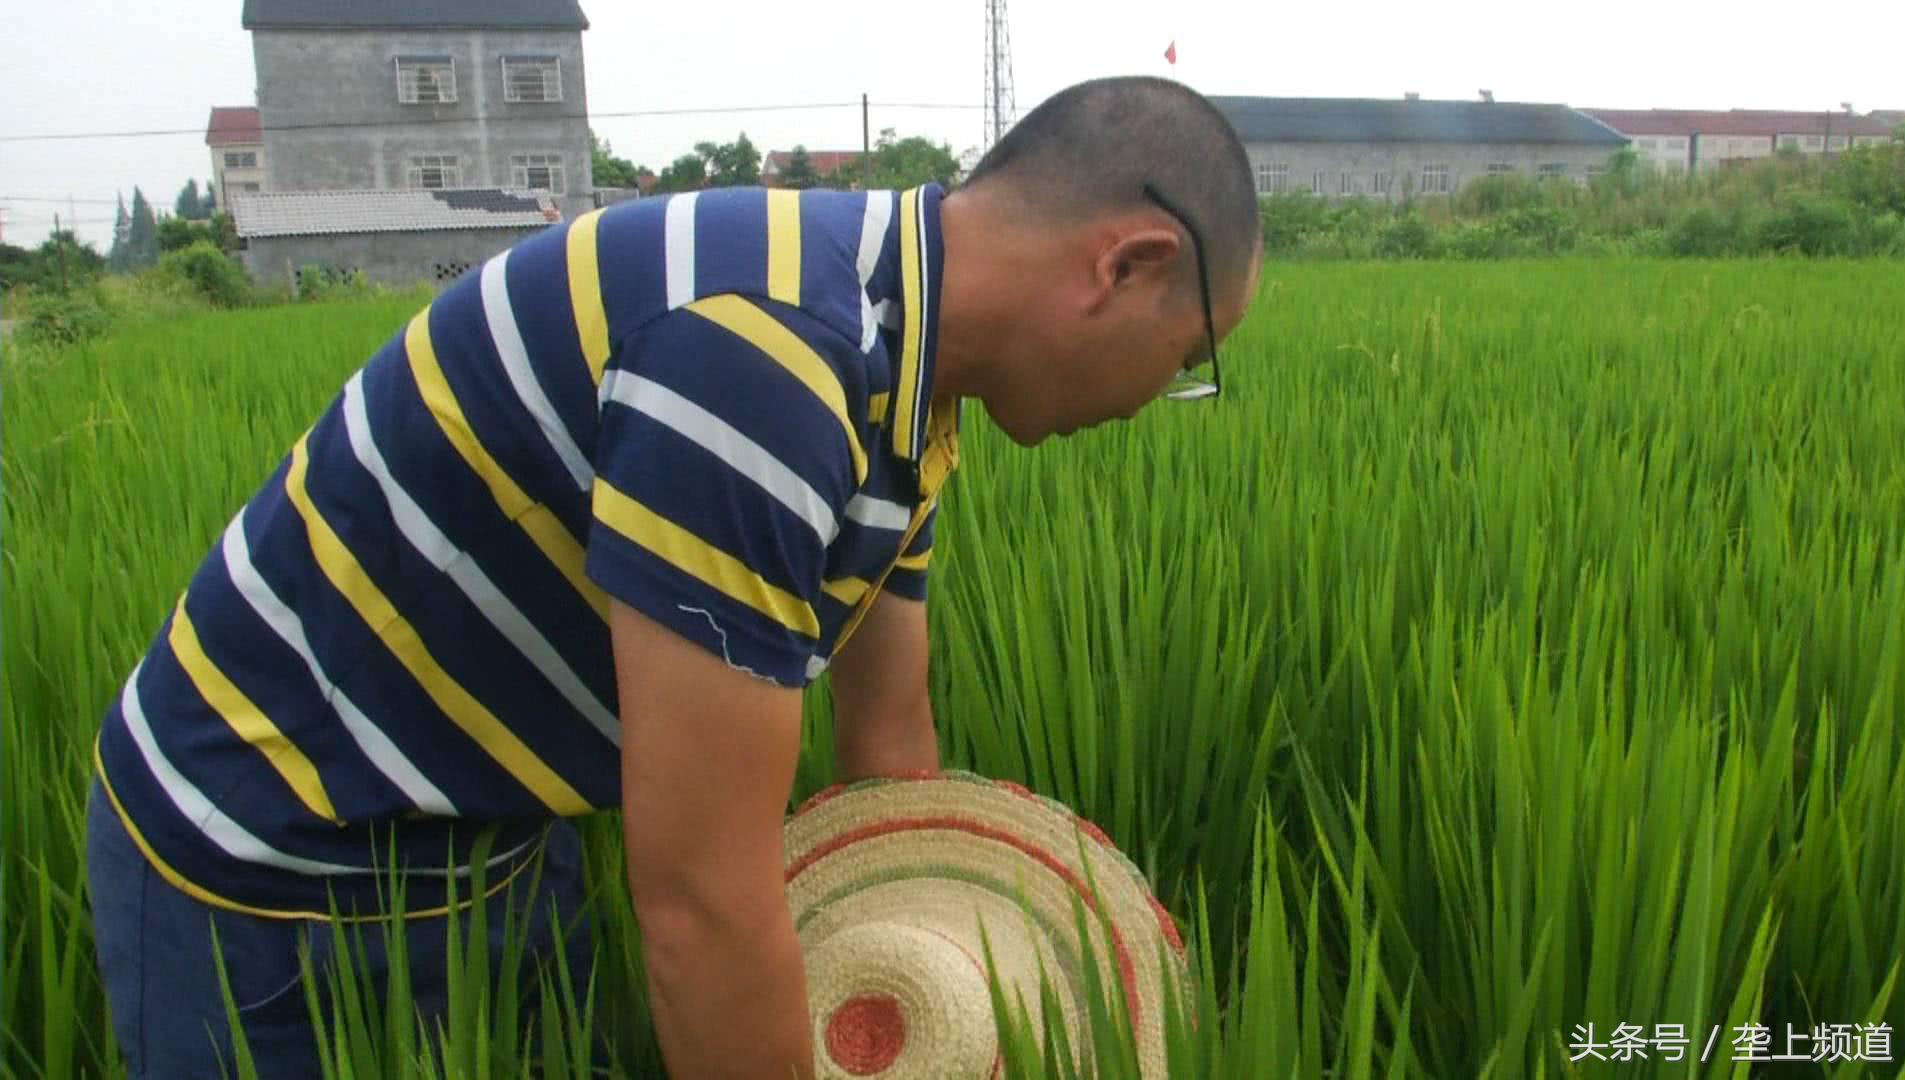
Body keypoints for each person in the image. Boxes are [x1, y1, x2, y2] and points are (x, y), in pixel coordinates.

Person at [84, 74, 1263, 1079]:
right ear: (1125, 263)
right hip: (280, 862)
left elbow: (891, 755)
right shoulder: (759, 356)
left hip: (497, 822)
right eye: (1184, 359)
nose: (1160, 400)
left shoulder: (907, 370)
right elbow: (702, 906)